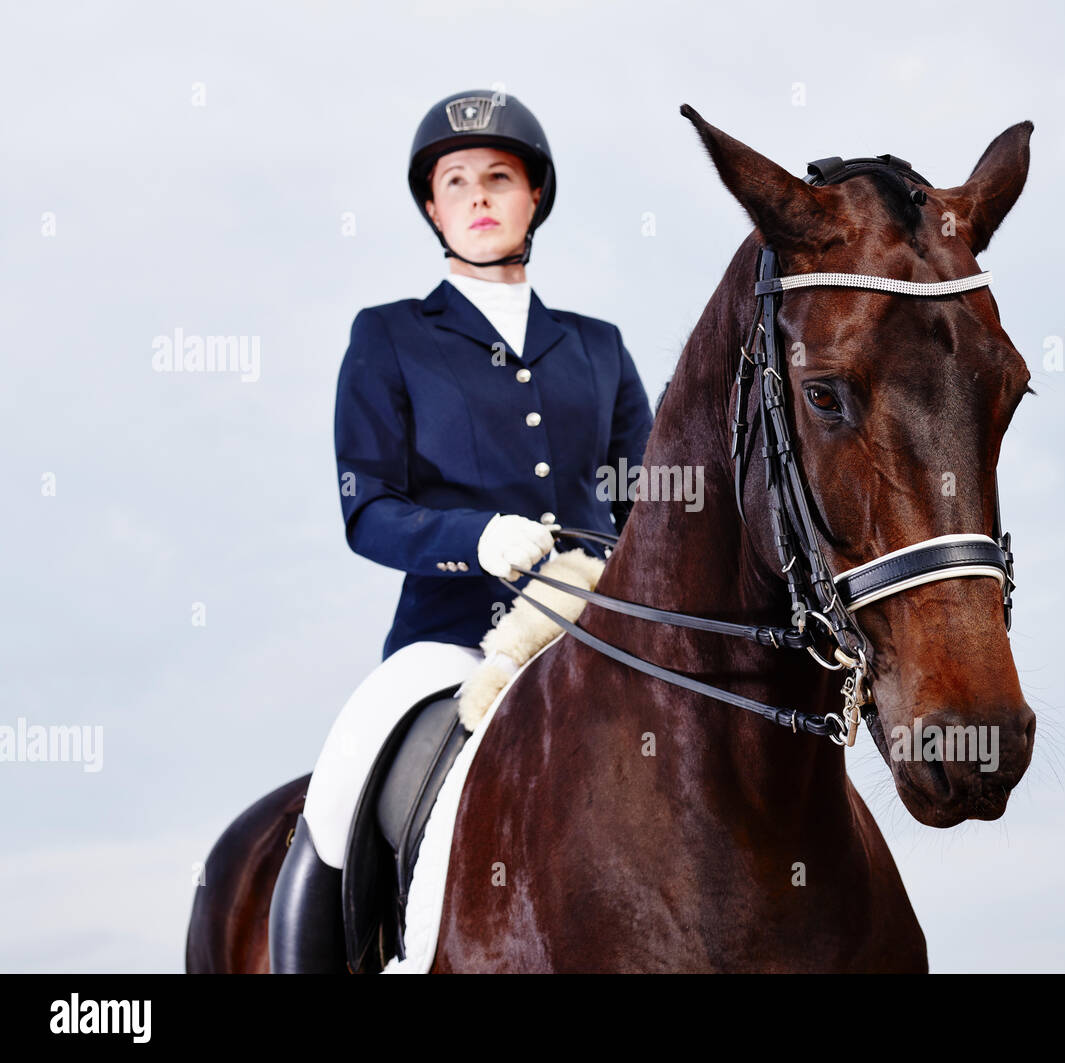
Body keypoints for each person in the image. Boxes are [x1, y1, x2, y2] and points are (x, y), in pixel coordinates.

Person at [267, 89, 654, 972]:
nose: (479, 197)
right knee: (343, 788)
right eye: (457, 183)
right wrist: (474, 538)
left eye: (499, 179)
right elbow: (369, 509)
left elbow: (640, 500)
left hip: (597, 632)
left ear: (534, 200)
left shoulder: (598, 347)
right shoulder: (390, 338)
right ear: (433, 208)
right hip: (451, 639)